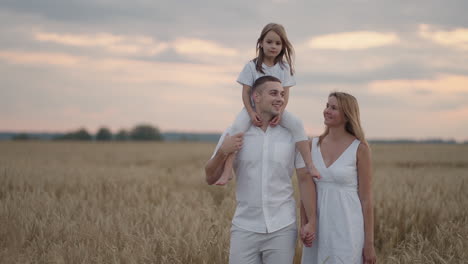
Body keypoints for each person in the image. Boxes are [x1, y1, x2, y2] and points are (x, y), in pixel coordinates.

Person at [205, 76, 317, 264]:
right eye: (273, 93)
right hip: (244, 227)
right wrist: (223, 152)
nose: (280, 98)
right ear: (256, 97)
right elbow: (209, 177)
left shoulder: (293, 135)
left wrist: (311, 221)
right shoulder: (234, 132)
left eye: (282, 94)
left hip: (282, 227)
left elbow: (305, 180)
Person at [214, 22, 320, 185]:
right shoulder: (251, 66)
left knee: (297, 124)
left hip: (277, 110)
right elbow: (246, 92)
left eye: (278, 43)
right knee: (236, 128)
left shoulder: (284, 68)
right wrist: (251, 113)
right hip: (252, 109)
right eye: (269, 42)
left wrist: (280, 113)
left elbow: (285, 94)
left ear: (283, 46)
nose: (273, 46)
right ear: (261, 43)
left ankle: (310, 165)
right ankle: (227, 170)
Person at [300, 92, 377, 264]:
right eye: (327, 105)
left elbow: (366, 199)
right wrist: (303, 224)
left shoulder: (360, 149)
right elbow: (305, 188)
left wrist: (369, 244)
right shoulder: (311, 145)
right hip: (317, 228)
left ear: (347, 115)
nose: (327, 110)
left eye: (333, 108)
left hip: (347, 227)